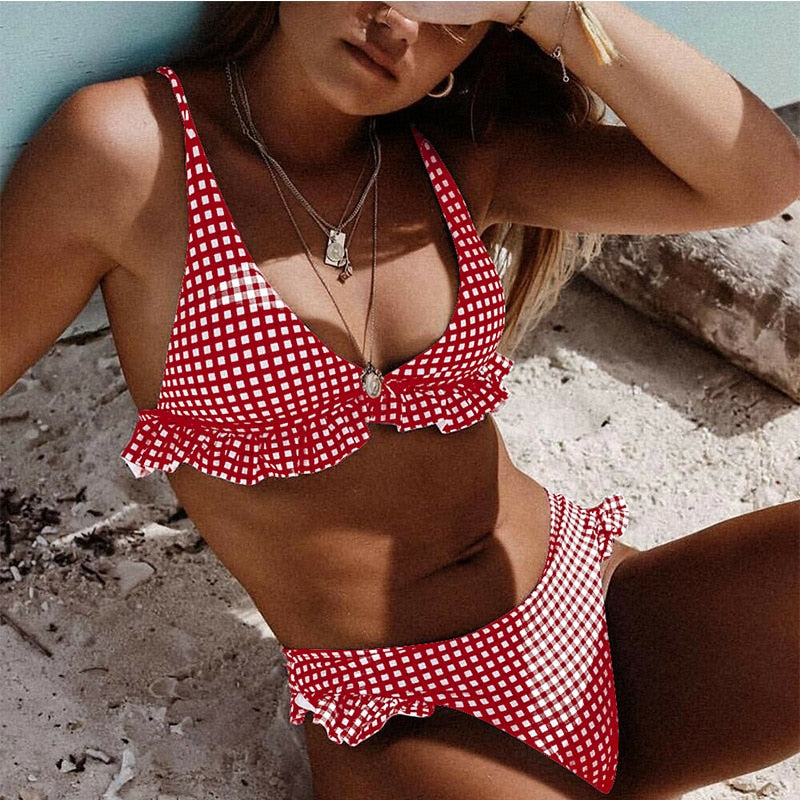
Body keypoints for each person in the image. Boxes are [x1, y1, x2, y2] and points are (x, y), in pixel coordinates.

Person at [2, 2, 798, 798]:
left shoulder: (452, 155)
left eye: (449, 7)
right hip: (404, 713)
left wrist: (543, 10)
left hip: (594, 613)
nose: (396, 24)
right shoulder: (127, 151)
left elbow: (759, 177)